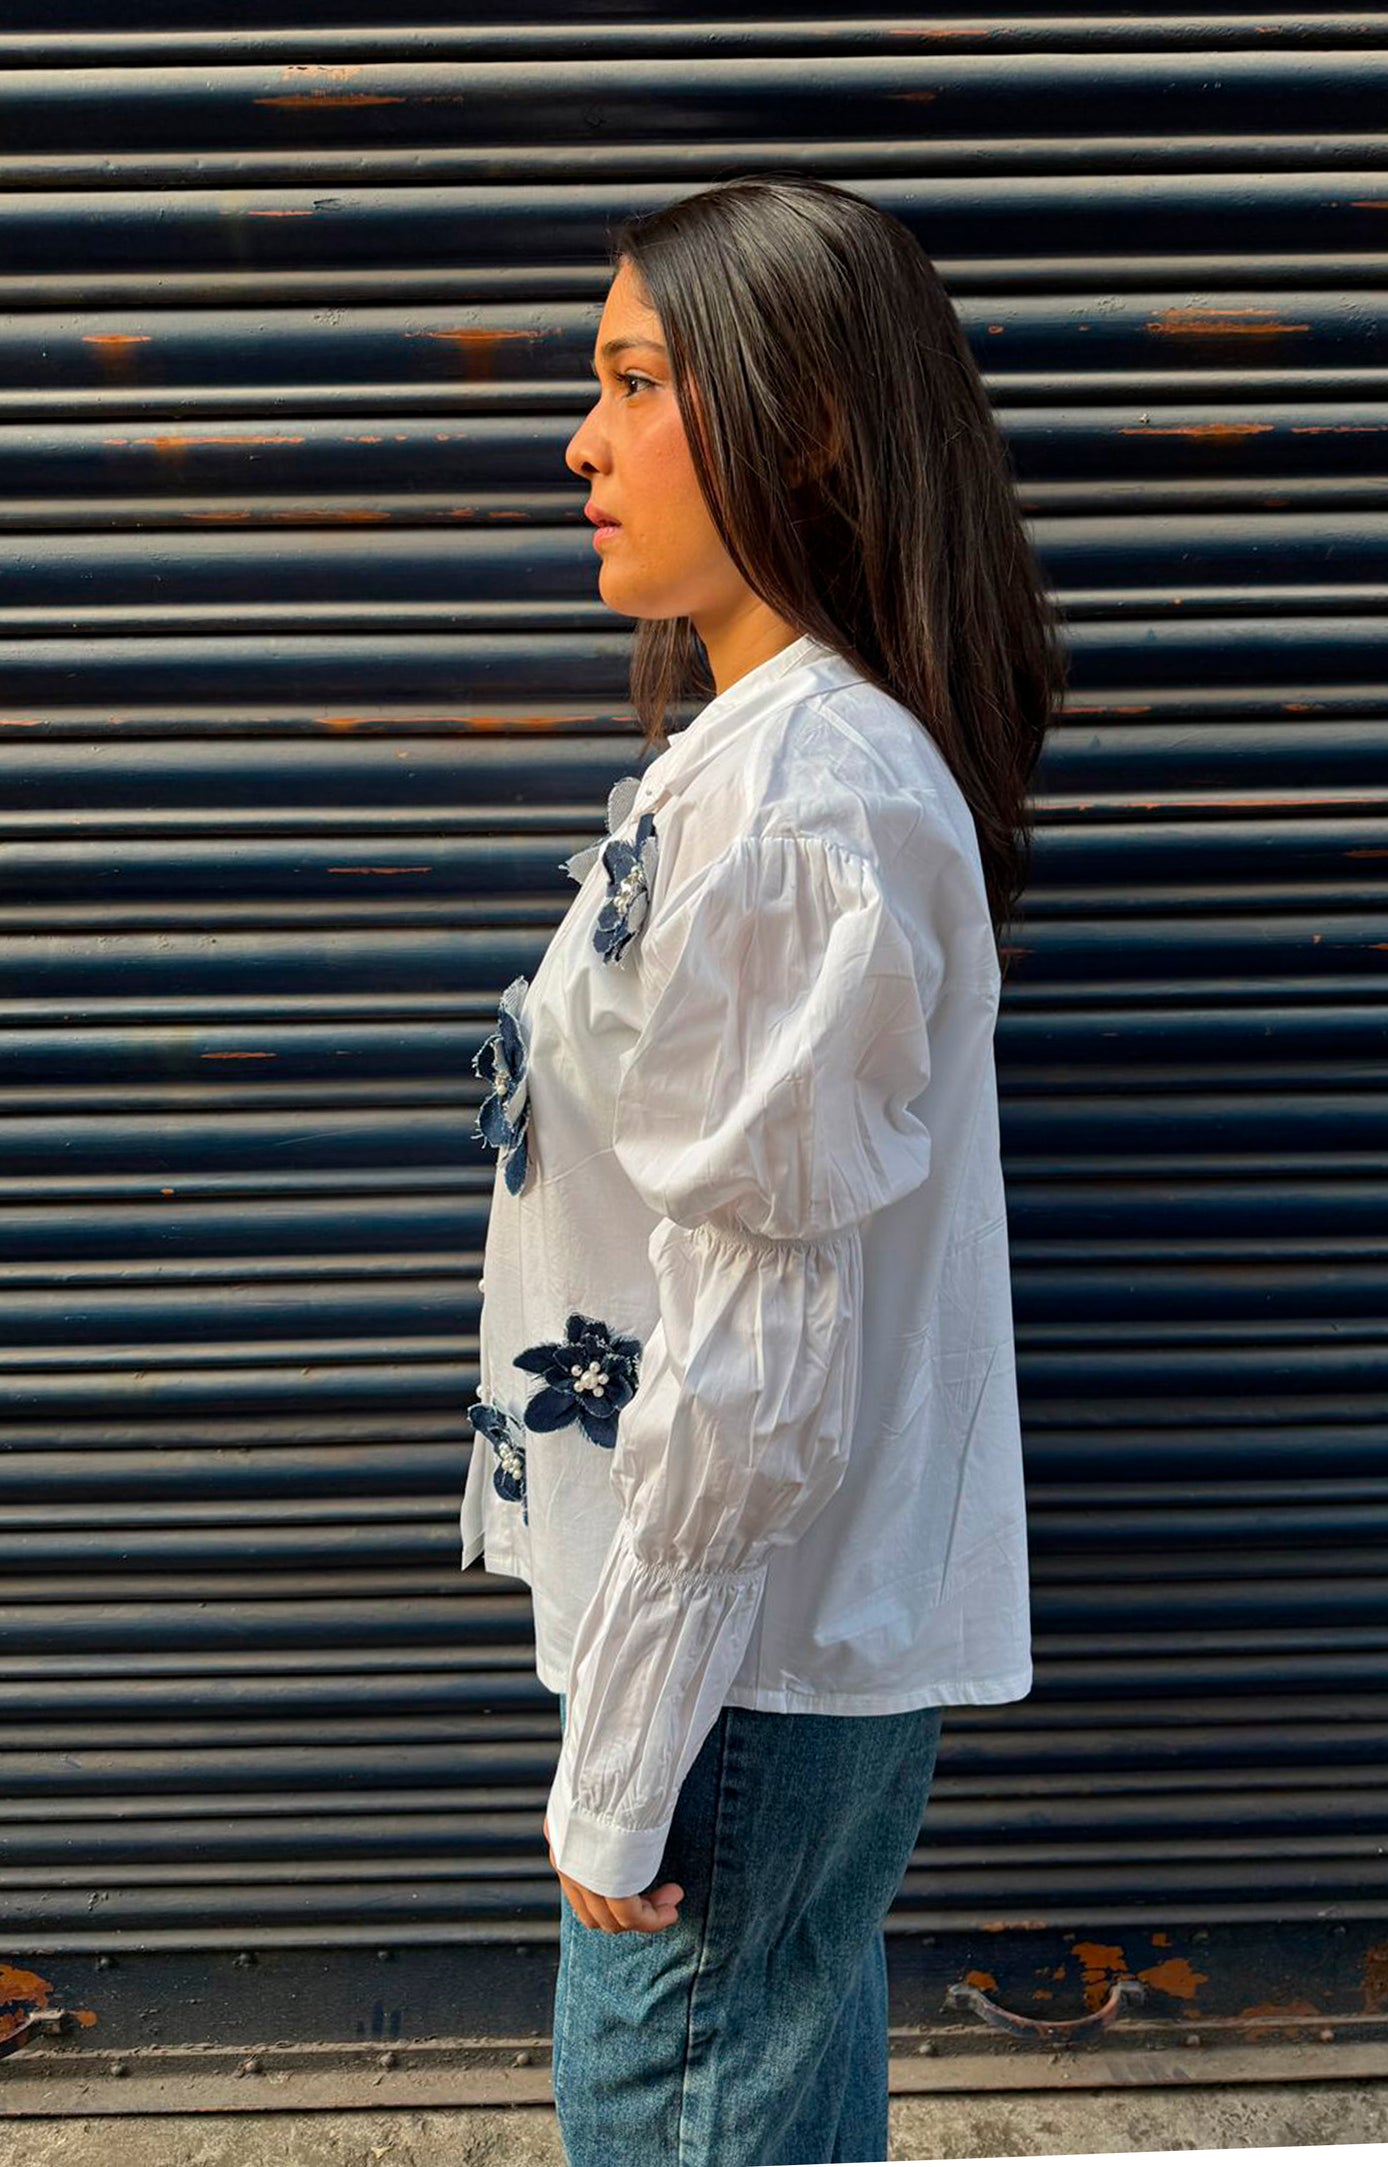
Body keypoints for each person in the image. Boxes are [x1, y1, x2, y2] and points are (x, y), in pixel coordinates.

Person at [458, 171, 1066, 2167]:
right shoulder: (772, 761)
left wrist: (617, 1774)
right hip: (741, 1669)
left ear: (802, 420)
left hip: (735, 1688)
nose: (581, 436)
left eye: (637, 380)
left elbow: (763, 1347)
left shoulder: (807, 798)